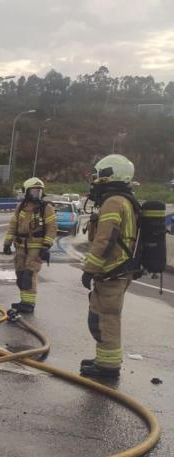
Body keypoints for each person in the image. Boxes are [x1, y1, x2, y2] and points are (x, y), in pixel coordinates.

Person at [79, 154, 139, 380]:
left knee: (106, 319)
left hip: (112, 271)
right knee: (102, 317)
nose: (95, 179)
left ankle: (108, 367)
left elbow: (105, 239)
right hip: (117, 270)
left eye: (99, 175)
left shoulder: (114, 201)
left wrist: (89, 269)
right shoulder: (125, 200)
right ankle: (104, 360)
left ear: (110, 175)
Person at [2, 177, 57, 314]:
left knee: (29, 274)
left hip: (36, 247)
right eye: (33, 191)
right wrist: (7, 243)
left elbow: (52, 228)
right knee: (20, 274)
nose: (36, 194)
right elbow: (12, 226)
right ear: (26, 192)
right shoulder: (21, 207)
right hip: (20, 246)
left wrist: (46, 245)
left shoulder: (46, 208)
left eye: (39, 191)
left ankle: (29, 304)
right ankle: (23, 301)